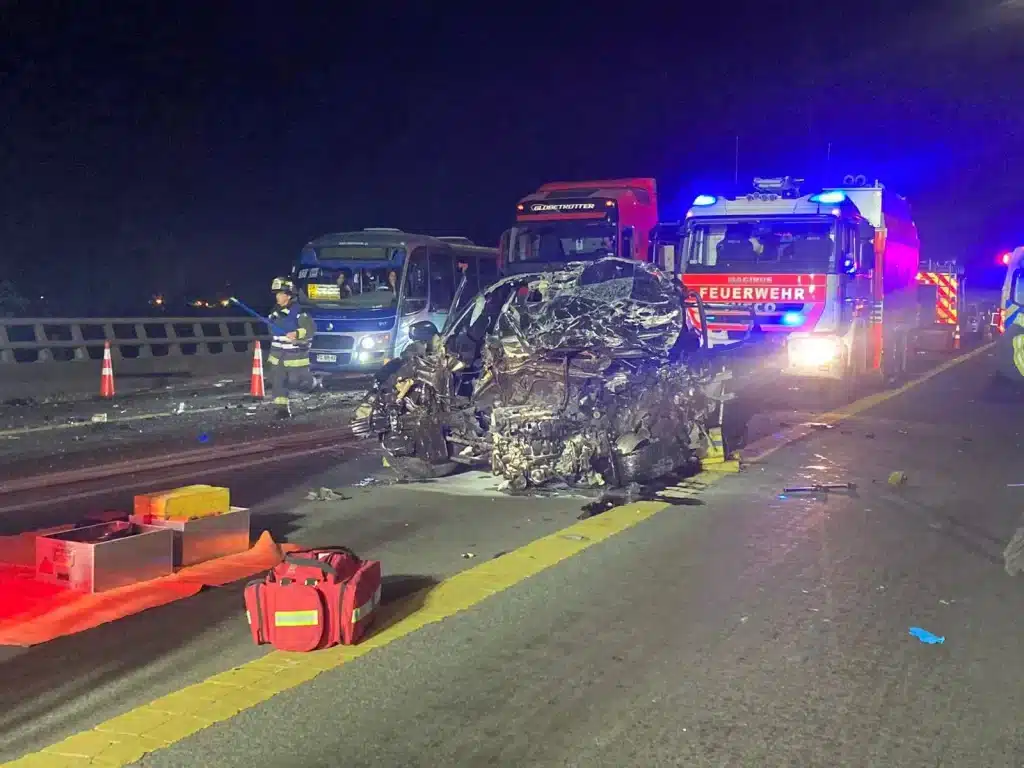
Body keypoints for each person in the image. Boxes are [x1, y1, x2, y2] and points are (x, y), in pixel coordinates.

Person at [267, 277, 316, 418]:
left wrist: (297, 333)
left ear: (288, 296)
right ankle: (282, 409)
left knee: (296, 382)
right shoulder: (274, 312)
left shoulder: (299, 313)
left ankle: (312, 384)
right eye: (276, 294)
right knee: (278, 382)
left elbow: (311, 329)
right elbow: (271, 330)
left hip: (295, 357)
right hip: (278, 357)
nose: (277, 297)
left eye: (280, 294)